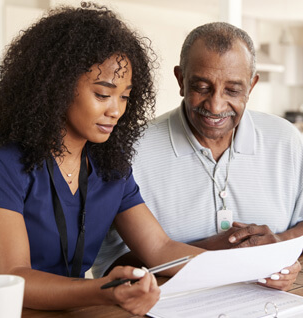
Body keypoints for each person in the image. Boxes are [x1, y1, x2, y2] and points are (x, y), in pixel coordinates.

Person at [0, 3, 205, 315]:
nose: (116, 110)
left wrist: (248, 269)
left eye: (124, 96)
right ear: (56, 86)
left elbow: (160, 248)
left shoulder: (111, 166)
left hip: (80, 310)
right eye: (102, 94)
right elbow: (15, 277)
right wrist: (106, 290)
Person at [92, 22, 303, 291]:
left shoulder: (287, 140)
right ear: (181, 80)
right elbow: (111, 267)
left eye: (233, 90)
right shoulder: (130, 150)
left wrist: (278, 249)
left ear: (252, 85)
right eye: (202, 87)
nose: (215, 105)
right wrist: (224, 252)